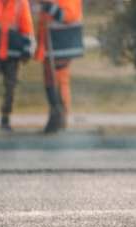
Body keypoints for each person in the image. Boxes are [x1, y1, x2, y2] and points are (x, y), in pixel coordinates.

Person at [0, 0, 33, 131]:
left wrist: (27, 50)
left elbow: (26, 28)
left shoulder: (20, 3)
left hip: (12, 53)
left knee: (10, 87)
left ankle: (5, 117)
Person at [35, 0, 83, 133]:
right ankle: (55, 113)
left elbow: (69, 16)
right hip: (50, 44)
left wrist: (50, 8)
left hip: (63, 43)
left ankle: (62, 116)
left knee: (60, 80)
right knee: (50, 80)